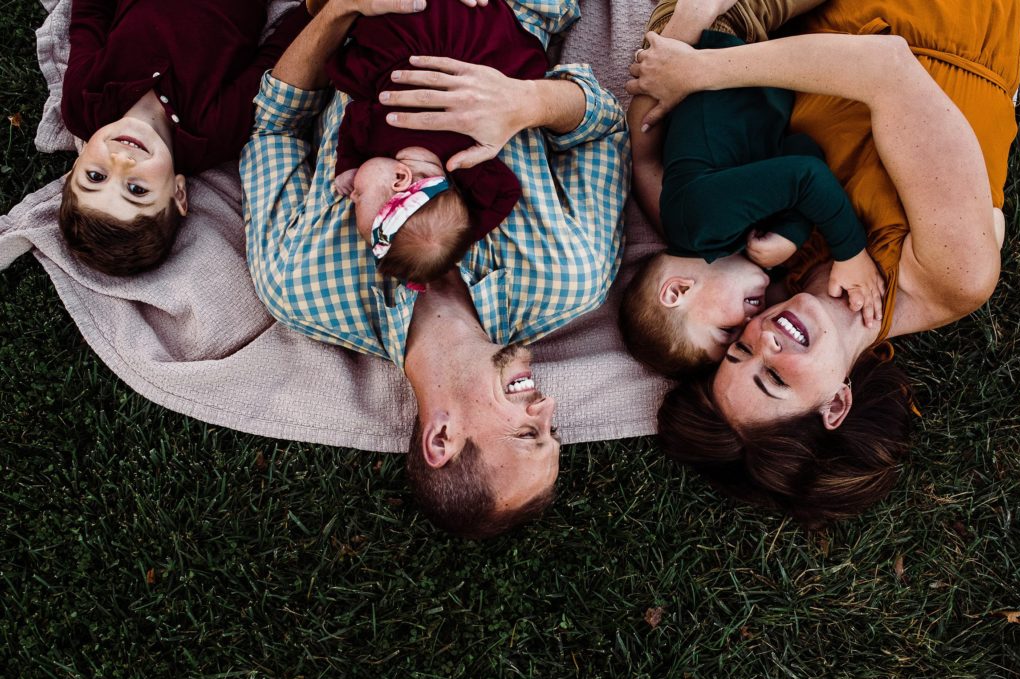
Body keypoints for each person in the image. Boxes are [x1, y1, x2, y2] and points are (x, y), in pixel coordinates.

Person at [241, 0, 629, 538]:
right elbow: (606, 125)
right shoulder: (570, 278)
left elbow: (273, 128)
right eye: (552, 428)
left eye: (527, 433)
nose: (547, 405)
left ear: (440, 438)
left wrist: (340, 9)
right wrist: (527, 100)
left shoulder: (299, 284)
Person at [628, 0, 1019, 522]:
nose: (761, 336)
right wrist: (703, 71)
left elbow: (646, 151)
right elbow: (888, 67)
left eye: (738, 351)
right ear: (836, 404)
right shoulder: (950, 276)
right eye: (775, 378)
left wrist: (688, 27)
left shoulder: (763, 259)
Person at [620, 0, 882, 376]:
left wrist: (851, 252)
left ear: (677, 291)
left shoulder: (699, 223)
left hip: (719, 31)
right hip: (749, 53)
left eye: (726, 330)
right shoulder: (732, 235)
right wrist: (792, 230)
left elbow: (806, 176)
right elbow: (802, 151)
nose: (750, 323)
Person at [57, 0, 310, 276]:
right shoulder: (214, 133)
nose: (121, 161)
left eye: (95, 176)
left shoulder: (82, 102)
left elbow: (89, 18)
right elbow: (278, 56)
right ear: (178, 193)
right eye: (137, 190)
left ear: (76, 165)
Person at [323, 0, 548, 283]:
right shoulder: (388, 138)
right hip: (420, 38)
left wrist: (459, 232)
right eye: (360, 198)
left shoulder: (465, 166)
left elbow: (506, 192)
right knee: (347, 67)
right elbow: (354, 116)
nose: (352, 195)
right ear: (399, 178)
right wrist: (348, 163)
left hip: (472, 43)